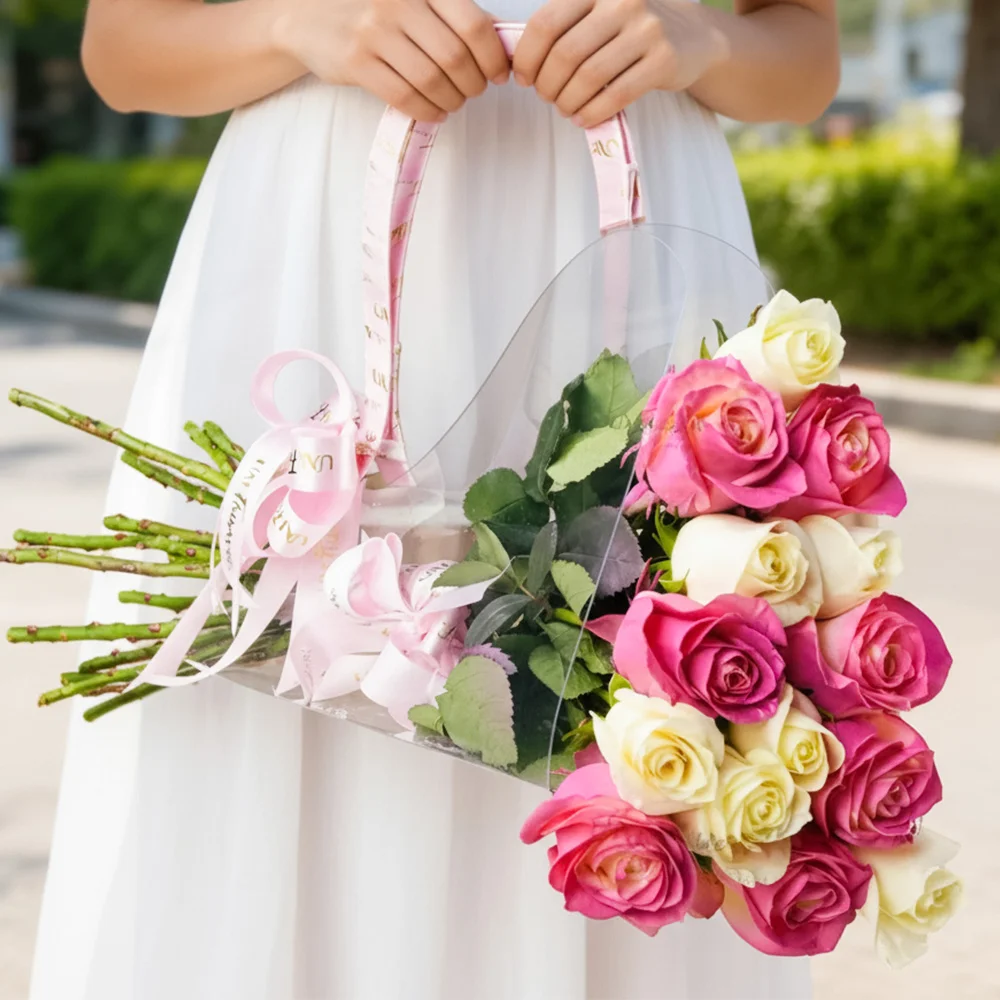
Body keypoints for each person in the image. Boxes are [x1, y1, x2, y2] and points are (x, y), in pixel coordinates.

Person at [30, 1, 839, 998]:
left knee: (641, 699)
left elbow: (801, 56)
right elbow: (125, 52)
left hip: (635, 237)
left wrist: (700, 40)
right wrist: (298, 26)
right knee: (301, 694)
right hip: (325, 247)